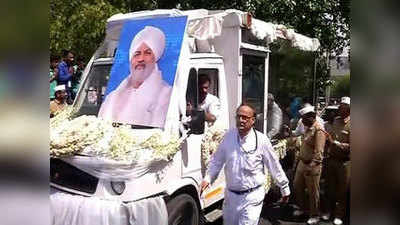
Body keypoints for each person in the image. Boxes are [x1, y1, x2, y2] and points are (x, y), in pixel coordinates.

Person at [200, 103, 290, 225]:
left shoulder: (262, 140)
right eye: (238, 117)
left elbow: (274, 165)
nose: (241, 120)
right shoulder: (228, 137)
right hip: (231, 197)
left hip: (252, 197)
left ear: (253, 120)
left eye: (245, 117)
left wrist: (284, 187)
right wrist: (208, 178)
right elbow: (217, 160)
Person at [98, 26, 172, 127]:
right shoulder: (113, 97)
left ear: (155, 59)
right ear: (131, 59)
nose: (141, 59)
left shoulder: (166, 94)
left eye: (147, 53)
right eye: (137, 54)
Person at [293, 103, 327, 225]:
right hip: (302, 163)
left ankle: (315, 215)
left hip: (312, 166)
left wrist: (311, 166)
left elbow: (319, 153)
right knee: (297, 186)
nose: (302, 121)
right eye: (301, 118)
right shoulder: (308, 127)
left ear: (312, 117)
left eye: (304, 118)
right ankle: (303, 209)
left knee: (313, 192)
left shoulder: (319, 130)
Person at [323, 97, 351, 225]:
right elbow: (330, 137)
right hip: (331, 159)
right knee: (330, 188)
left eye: (342, 107)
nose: (339, 109)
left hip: (345, 162)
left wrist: (336, 143)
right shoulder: (336, 121)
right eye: (340, 106)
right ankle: (328, 211)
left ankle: (339, 214)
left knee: (342, 190)